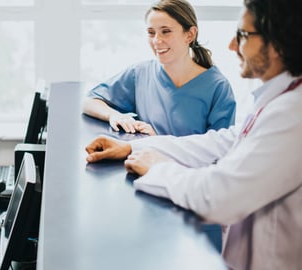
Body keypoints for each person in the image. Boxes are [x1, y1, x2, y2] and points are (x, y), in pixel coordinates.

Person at [85, 0, 302, 269]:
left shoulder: (292, 114)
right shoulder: (277, 100)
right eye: (151, 32)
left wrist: (158, 168)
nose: (232, 46)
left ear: (278, 42)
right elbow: (223, 141)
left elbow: (219, 197)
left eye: (243, 35)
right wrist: (131, 148)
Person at [83, 0, 236, 136]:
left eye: (166, 31)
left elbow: (220, 152)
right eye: (151, 33)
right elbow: (89, 102)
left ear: (190, 35)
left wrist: (157, 143)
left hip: (188, 169)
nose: (156, 40)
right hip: (142, 166)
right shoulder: (140, 74)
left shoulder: (218, 87)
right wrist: (114, 115)